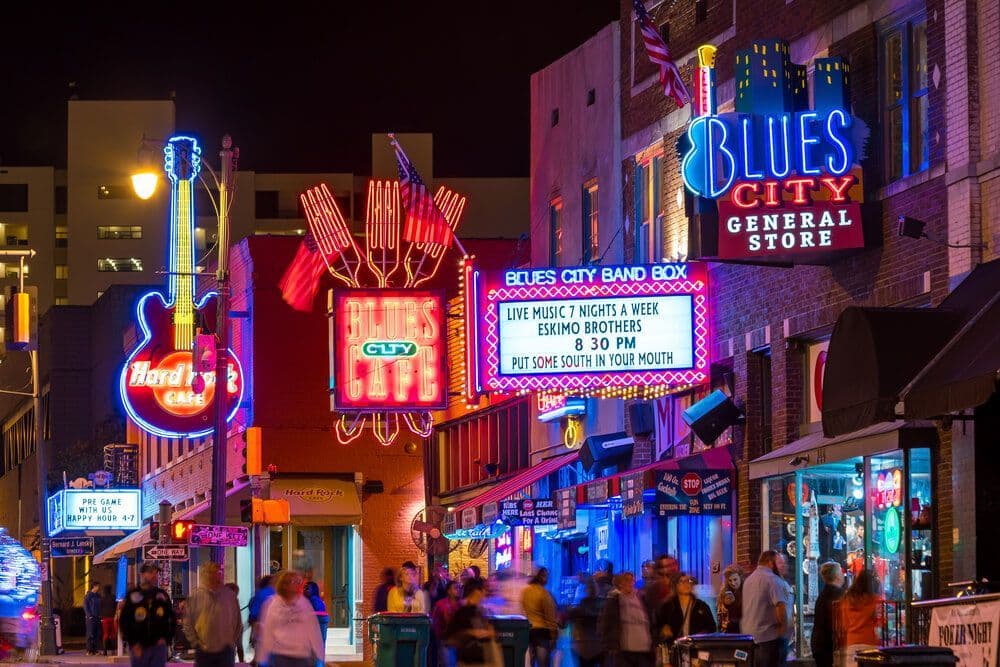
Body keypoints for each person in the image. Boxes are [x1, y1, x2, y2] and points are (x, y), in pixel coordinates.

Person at [183, 561, 243, 667]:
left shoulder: (229, 595)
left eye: (217, 572)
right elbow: (188, 622)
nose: (215, 576)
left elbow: (237, 621)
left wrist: (230, 641)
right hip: (204, 650)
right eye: (210, 573)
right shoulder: (196, 596)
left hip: (225, 650)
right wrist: (196, 643)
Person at [119, 563, 177, 667]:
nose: (154, 575)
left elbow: (171, 618)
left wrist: (166, 639)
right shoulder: (132, 595)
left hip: (158, 648)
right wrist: (133, 643)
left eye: (156, 573)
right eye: (150, 572)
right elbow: (124, 621)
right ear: (142, 574)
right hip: (139, 647)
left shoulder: (162, 595)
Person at [741, 551, 789, 667]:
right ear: (770, 563)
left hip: (750, 637)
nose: (781, 566)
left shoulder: (748, 580)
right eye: (778, 562)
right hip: (769, 638)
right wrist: (783, 629)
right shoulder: (773, 580)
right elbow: (780, 607)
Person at [597, 572, 653, 667]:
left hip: (644, 649)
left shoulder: (641, 598)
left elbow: (649, 620)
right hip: (625, 650)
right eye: (627, 580)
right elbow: (606, 624)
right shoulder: (614, 600)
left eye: (632, 580)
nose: (630, 582)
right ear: (620, 583)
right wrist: (610, 645)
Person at [445, 577, 499, 667]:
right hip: (467, 662)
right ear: (476, 591)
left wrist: (490, 632)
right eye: (483, 589)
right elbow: (449, 639)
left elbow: (491, 633)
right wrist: (470, 633)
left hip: (482, 661)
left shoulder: (480, 611)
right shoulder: (461, 611)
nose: (484, 593)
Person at [657, 573, 716, 654]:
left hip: (696, 649)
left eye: (688, 581)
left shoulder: (701, 606)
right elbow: (657, 627)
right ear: (675, 585)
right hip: (675, 650)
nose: (686, 584)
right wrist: (663, 630)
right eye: (682, 581)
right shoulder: (668, 607)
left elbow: (712, 628)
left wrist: (701, 635)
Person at [836, 570, 879, 667]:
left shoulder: (847, 600)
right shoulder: (874, 600)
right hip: (869, 641)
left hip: (852, 642)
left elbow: (844, 624)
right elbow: (879, 621)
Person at [521, 568, 558, 667]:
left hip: (529, 631)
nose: (547, 579)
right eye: (546, 576)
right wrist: (554, 635)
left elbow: (524, 610)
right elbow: (550, 616)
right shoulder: (543, 593)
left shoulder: (526, 591)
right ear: (541, 577)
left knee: (531, 661)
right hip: (542, 632)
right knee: (543, 663)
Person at [810, 562, 845, 667]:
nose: (843, 575)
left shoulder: (824, 594)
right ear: (836, 576)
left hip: (819, 645)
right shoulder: (837, 595)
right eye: (841, 572)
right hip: (829, 646)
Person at [568, 577, 604, 667]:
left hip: (584, 644)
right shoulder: (602, 603)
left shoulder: (583, 603)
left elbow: (571, 615)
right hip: (599, 644)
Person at [432, 581, 463, 667]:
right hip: (445, 640)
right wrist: (440, 635)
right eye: (455, 588)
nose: (458, 590)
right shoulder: (441, 604)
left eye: (459, 588)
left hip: (460, 640)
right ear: (449, 591)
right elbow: (435, 621)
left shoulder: (462, 604)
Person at [642, 555, 679, 622]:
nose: (672, 568)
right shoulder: (654, 586)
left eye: (673, 564)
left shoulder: (680, 582)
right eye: (667, 566)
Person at [248, 575, 275, 666]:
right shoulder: (277, 594)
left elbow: (254, 614)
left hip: (262, 633)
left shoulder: (260, 593)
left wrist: (253, 633)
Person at [303, 582, 329, 667]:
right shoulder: (313, 600)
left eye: (307, 588)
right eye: (304, 588)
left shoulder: (314, 600)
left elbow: (320, 614)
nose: (305, 590)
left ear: (313, 590)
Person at [716, 566, 743, 633]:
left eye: (735, 579)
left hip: (741, 629)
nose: (733, 583)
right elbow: (720, 613)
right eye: (730, 580)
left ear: (740, 578)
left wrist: (733, 604)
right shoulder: (725, 591)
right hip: (727, 629)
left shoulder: (745, 591)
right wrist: (725, 604)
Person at [224, 583, 246, 663]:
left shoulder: (229, 601)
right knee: (237, 646)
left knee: (235, 646)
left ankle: (238, 662)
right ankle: (240, 662)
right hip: (234, 627)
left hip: (234, 627)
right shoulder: (232, 600)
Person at [84, 582, 102, 655]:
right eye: (97, 586)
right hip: (91, 618)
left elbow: (100, 606)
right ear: (94, 586)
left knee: (97, 634)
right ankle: (89, 650)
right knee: (90, 634)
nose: (98, 588)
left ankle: (95, 650)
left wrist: (100, 615)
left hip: (97, 617)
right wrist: (89, 615)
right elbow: (86, 606)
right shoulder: (88, 596)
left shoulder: (98, 596)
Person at [100, 584, 118, 656]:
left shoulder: (102, 598)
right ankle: (113, 650)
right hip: (112, 617)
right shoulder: (113, 597)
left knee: (105, 634)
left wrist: (101, 617)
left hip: (104, 618)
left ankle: (105, 651)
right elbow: (116, 607)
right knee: (113, 634)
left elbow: (100, 608)